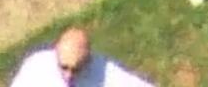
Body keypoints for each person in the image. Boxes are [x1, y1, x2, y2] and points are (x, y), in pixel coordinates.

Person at [8, 27, 155, 86]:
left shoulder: (103, 70)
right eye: (64, 67)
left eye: (76, 69)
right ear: (56, 52)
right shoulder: (36, 66)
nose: (69, 75)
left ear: (88, 60)